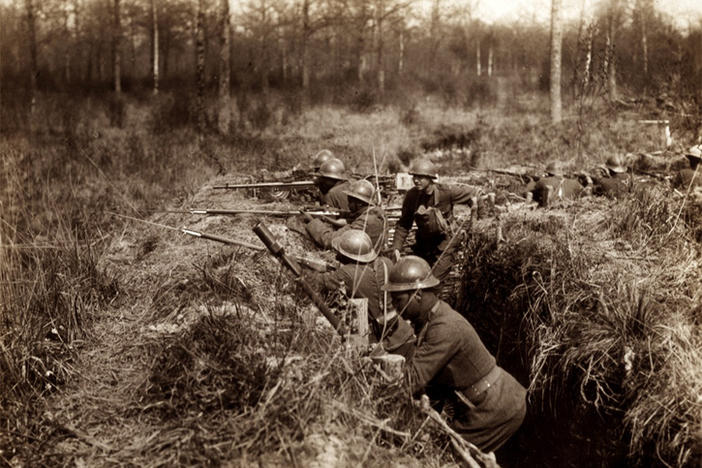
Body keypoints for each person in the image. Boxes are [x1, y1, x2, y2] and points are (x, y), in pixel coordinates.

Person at [383, 255, 527, 453]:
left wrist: (380, 397)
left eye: (398, 300)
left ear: (417, 294)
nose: (396, 308)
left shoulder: (444, 327)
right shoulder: (431, 320)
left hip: (495, 407)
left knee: (444, 457)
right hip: (487, 402)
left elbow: (413, 380)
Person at [310, 230, 415, 358]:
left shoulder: (347, 273)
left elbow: (317, 282)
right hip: (403, 332)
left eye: (340, 253)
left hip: (378, 342)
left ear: (348, 256)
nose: (337, 256)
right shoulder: (386, 262)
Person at [391, 158, 479, 284]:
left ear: (430, 178)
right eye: (414, 176)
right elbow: (404, 224)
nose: (416, 180)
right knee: (415, 278)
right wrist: (396, 248)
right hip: (424, 243)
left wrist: (476, 221)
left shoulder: (447, 192)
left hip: (446, 242)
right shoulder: (412, 196)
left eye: (421, 177)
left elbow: (476, 194)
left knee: (434, 282)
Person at [304, 179, 388, 252]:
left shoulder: (363, 222)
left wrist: (313, 222)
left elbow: (329, 240)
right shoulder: (375, 213)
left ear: (359, 204)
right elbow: (350, 215)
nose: (348, 205)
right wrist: (329, 212)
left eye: (350, 201)